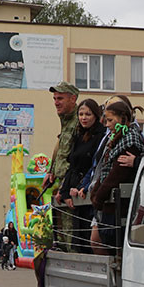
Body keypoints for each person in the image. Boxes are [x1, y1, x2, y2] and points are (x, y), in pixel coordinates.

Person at [90, 99, 144, 254]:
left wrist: (99, 196)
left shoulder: (130, 140)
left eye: (110, 120)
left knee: (115, 246)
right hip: (110, 206)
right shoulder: (116, 138)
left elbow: (117, 174)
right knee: (106, 242)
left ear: (122, 119)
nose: (107, 125)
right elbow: (105, 169)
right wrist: (96, 191)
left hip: (119, 207)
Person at [57, 98, 106, 254]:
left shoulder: (101, 135)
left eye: (88, 114)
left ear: (96, 116)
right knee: (77, 240)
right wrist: (64, 191)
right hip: (74, 190)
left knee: (87, 238)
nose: (84, 118)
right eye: (81, 114)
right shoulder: (78, 134)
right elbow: (72, 165)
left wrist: (81, 187)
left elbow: (94, 166)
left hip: (87, 191)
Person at [42, 82, 80, 250]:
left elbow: (76, 158)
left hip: (71, 186)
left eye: (60, 98)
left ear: (73, 99)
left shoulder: (78, 121)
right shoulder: (66, 121)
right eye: (55, 99)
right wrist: (51, 172)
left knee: (71, 236)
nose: (56, 102)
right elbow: (61, 150)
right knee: (62, 235)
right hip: (62, 184)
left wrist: (65, 184)